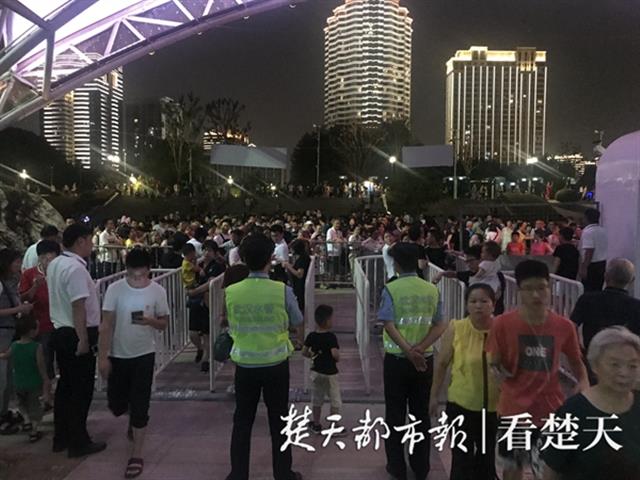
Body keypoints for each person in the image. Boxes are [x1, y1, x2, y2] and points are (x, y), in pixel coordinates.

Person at [486, 260, 588, 480]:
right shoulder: (502, 324)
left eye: (541, 288)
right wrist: (497, 372)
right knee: (512, 469)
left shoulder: (564, 326)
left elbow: (577, 363)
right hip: (513, 411)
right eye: (528, 289)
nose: (536, 295)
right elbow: (493, 362)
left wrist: (583, 382)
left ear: (549, 287)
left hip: (551, 411)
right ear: (519, 290)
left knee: (549, 471)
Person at [225, 233, 304, 480]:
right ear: (271, 258)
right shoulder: (282, 290)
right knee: (280, 421)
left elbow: (230, 321)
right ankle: (283, 473)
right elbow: (297, 321)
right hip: (276, 365)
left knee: (242, 422)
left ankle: (238, 474)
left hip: (244, 365)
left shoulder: (232, 291)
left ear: (243, 258)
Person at [98, 249, 170, 479]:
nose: (137, 279)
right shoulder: (115, 289)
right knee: (117, 405)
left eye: (141, 275)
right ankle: (131, 416)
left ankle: (136, 454)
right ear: (126, 271)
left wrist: (151, 321)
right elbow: (106, 324)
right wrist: (103, 357)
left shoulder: (157, 291)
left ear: (149, 270)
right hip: (118, 355)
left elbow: (164, 323)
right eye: (133, 275)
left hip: (144, 355)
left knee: (140, 404)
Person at [378, 243, 447, 480]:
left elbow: (388, 323)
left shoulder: (391, 288)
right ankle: (421, 467)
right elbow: (440, 324)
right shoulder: (431, 289)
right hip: (424, 361)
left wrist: (408, 351)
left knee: (395, 414)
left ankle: (396, 467)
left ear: (396, 263)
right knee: (421, 415)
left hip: (397, 361)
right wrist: (421, 348)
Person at [541, 327, 640, 480]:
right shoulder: (572, 411)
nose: (624, 373)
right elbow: (551, 470)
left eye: (632, 366)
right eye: (615, 364)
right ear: (594, 366)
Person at [47, 223, 106, 457]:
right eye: (90, 240)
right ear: (80, 241)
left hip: (60, 330)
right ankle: (78, 441)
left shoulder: (55, 264)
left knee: (65, 387)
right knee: (80, 390)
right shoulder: (76, 269)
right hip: (76, 333)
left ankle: (61, 437)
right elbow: (78, 306)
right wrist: (83, 339)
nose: (92, 245)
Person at [430, 284, 499, 480]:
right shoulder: (456, 328)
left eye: (484, 301)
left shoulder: (501, 330)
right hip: (461, 406)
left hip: (493, 408)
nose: (478, 306)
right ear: (466, 305)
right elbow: (442, 364)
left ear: (493, 304)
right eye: (473, 301)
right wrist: (434, 396)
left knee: (486, 460)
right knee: (461, 460)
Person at [571, 258, 640, 356]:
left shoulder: (587, 299)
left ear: (606, 276)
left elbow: (572, 326)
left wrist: (577, 348)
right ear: (631, 280)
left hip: (593, 354)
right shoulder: (636, 306)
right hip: (623, 358)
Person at [0, 315, 50, 443]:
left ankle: (26, 419)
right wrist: (45, 379)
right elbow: (40, 365)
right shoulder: (36, 347)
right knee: (35, 408)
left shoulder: (14, 345)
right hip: (34, 382)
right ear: (32, 331)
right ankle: (34, 431)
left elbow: (5, 356)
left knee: (21, 404)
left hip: (19, 382)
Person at [0, 249, 33, 434]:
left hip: (9, 333)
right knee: (2, 379)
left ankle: (4, 412)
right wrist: (18, 310)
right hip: (2, 334)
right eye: (16, 262)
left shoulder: (10, 283)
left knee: (7, 379)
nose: (19, 266)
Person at [19, 240, 60, 387]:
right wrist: (35, 287)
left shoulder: (62, 273)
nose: (48, 261)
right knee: (44, 357)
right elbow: (23, 297)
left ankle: (52, 386)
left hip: (60, 322)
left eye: (52, 258)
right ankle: (44, 388)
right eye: (44, 258)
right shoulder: (29, 274)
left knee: (58, 357)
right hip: (40, 323)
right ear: (39, 258)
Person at [302, 305, 343, 434]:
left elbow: (304, 352)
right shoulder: (331, 337)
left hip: (316, 372)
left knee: (317, 398)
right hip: (330, 373)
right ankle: (334, 425)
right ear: (327, 321)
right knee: (334, 399)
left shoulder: (311, 336)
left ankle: (316, 424)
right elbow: (335, 354)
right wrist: (337, 358)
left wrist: (312, 355)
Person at [182, 243, 206, 365]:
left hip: (195, 291)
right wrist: (200, 269)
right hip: (192, 289)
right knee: (193, 330)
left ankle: (204, 352)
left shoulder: (188, 262)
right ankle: (201, 348)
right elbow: (196, 269)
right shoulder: (186, 264)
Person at [578, 208, 608, 292]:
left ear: (586, 218)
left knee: (588, 289)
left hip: (591, 265)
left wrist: (584, 267)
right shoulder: (603, 230)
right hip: (602, 263)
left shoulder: (588, 232)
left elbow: (589, 251)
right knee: (598, 288)